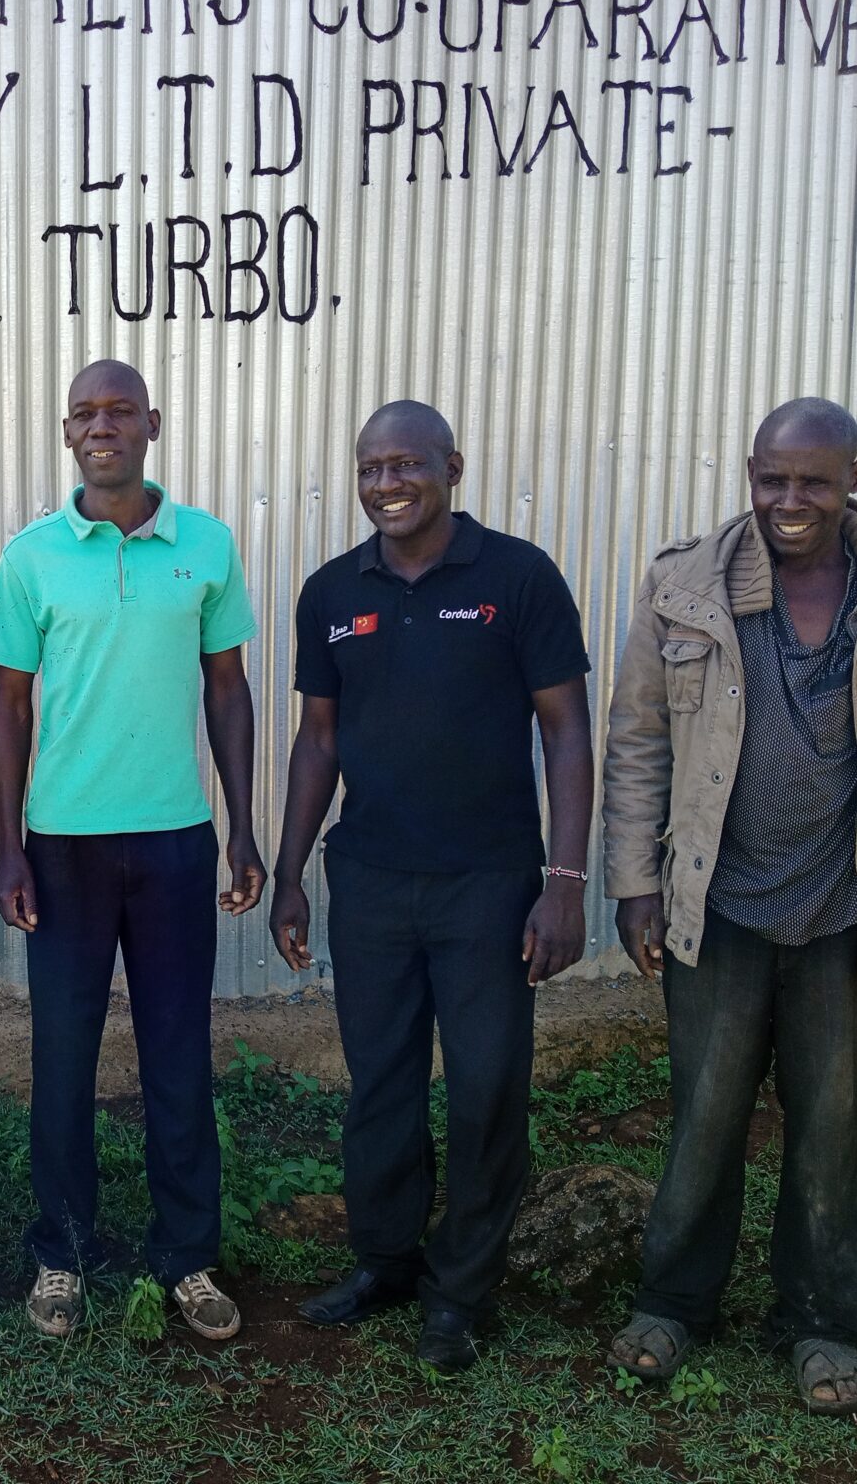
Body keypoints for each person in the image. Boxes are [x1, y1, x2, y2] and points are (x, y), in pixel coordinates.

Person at [602, 398, 857, 1415]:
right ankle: (673, 1305)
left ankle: (817, 1323)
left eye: (811, 481)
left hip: (845, 912)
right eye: (771, 480)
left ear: (852, 474)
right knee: (704, 1120)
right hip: (715, 908)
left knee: (826, 1127)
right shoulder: (684, 585)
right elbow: (637, 742)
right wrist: (633, 882)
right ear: (749, 474)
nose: (788, 501)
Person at [267, 400, 595, 1372]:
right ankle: (384, 1263)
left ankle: (460, 1291)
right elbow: (317, 740)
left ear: (452, 465)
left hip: (487, 886)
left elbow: (565, 730)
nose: (384, 485)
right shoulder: (332, 592)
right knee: (380, 1084)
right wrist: (288, 874)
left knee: (488, 1085)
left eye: (403, 464)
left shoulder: (516, 578)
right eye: (368, 468)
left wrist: (565, 883)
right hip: (368, 881)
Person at [0, 359, 265, 1342]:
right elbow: (7, 705)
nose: (101, 426)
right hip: (60, 848)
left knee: (177, 1058)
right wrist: (7, 845)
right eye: (83, 413)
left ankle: (186, 1256)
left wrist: (241, 827)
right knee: (60, 1061)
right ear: (66, 434)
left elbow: (226, 690)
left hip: (175, 844)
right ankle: (60, 1253)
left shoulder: (206, 545)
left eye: (119, 410)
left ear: (152, 422)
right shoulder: (29, 558)